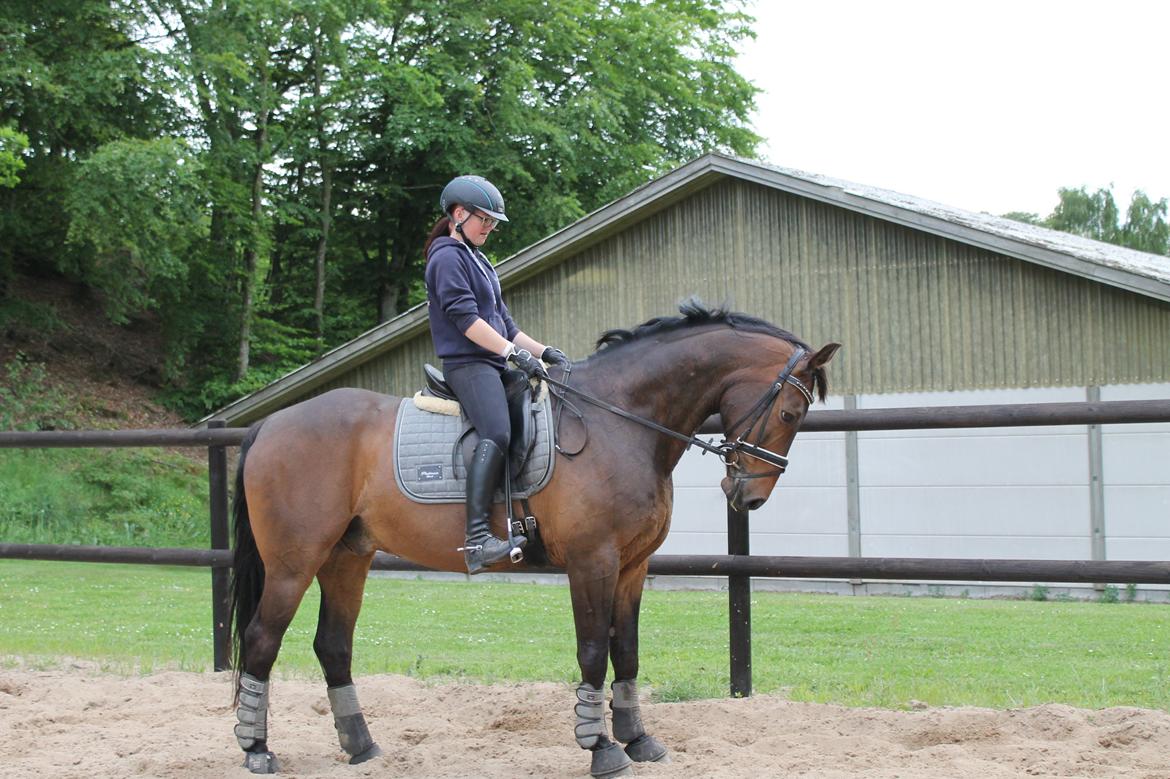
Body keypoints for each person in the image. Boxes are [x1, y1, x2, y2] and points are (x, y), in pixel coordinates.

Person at [423, 174, 570, 574]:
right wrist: (512, 353)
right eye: (483, 219)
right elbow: (466, 320)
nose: (489, 227)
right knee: (498, 432)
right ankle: (476, 539)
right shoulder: (446, 257)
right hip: (468, 364)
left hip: (492, 361)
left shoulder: (478, 259)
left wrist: (545, 352)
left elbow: (504, 322)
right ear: (458, 214)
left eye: (492, 221)